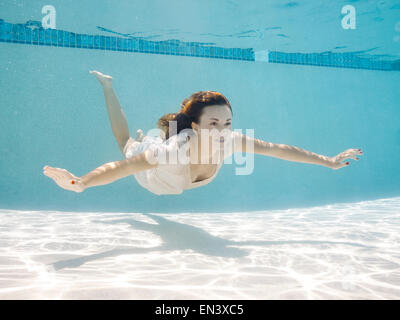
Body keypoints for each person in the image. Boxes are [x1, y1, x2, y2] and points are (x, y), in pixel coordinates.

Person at [43, 71, 363, 194]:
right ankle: (108, 87)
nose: (224, 131)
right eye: (213, 124)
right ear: (195, 125)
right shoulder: (174, 151)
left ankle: (148, 135)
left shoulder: (233, 141)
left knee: (147, 140)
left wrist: (329, 161)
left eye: (227, 123)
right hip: (156, 180)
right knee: (127, 144)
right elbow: (122, 169)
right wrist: (81, 182)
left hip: (171, 161)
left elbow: (280, 150)